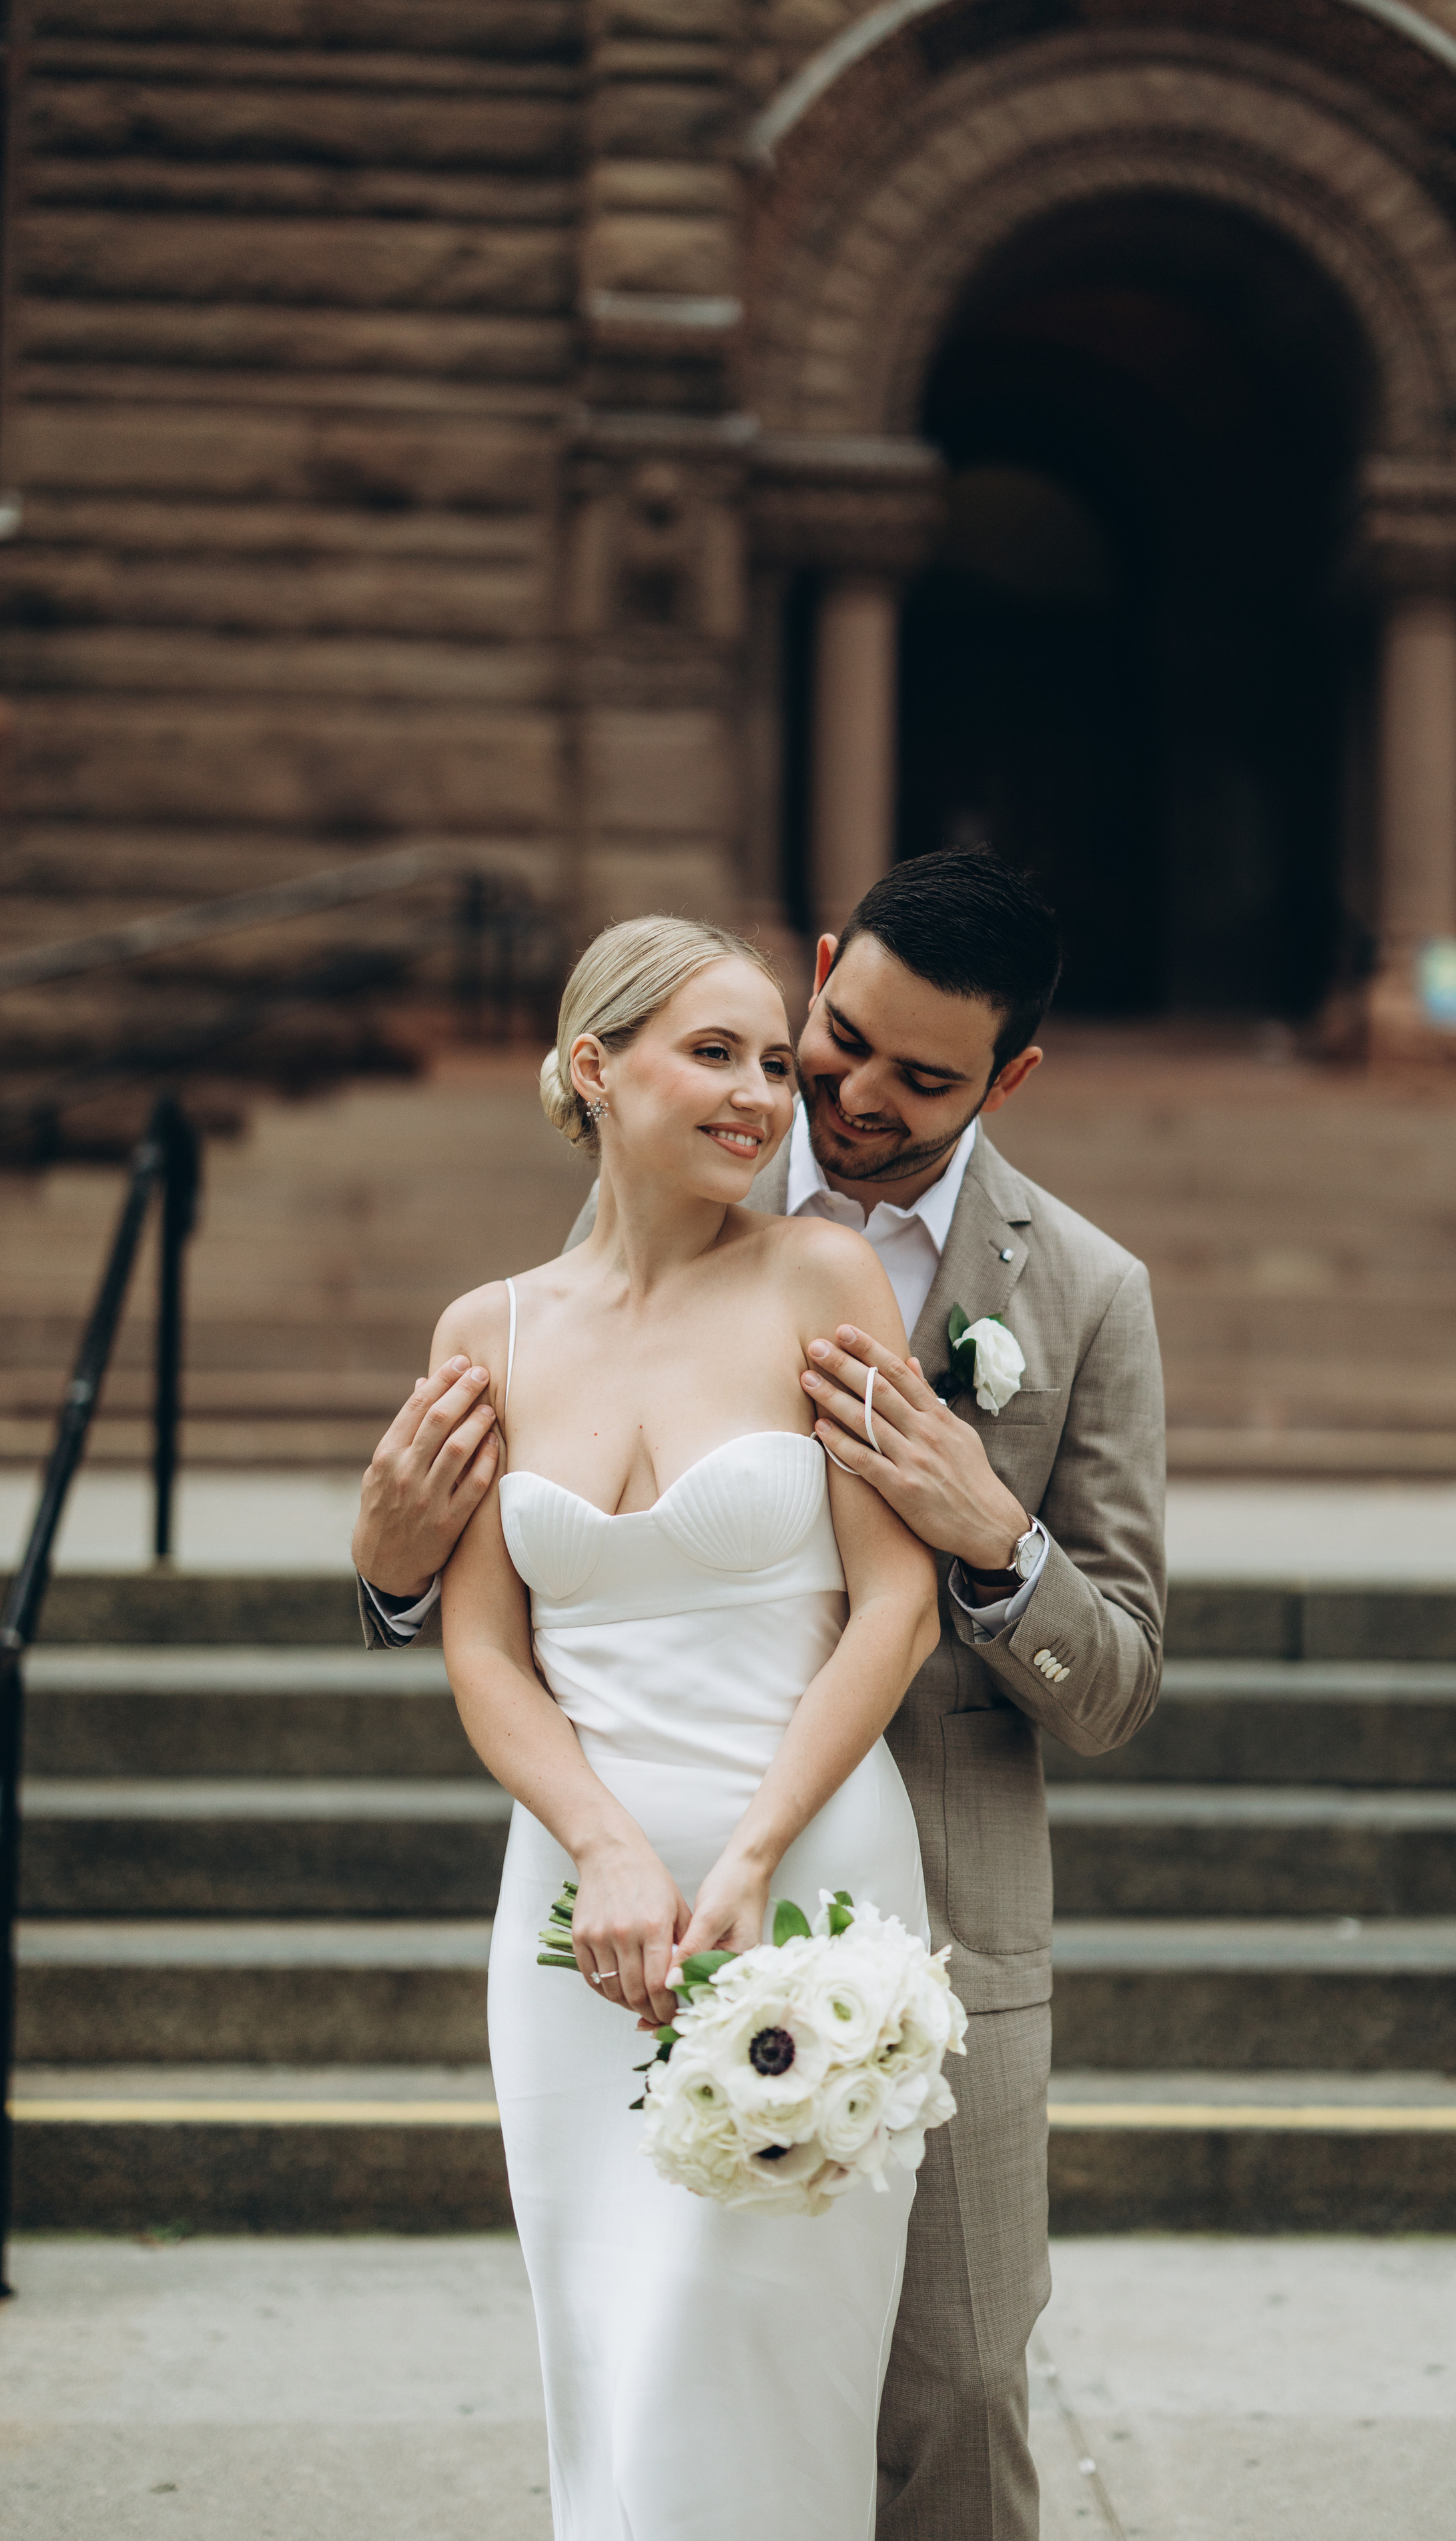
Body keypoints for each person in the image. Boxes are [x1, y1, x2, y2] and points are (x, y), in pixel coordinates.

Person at [355, 850, 1167, 2541]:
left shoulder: (1076, 1292)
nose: (833, 1095)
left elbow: (1119, 1677)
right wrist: (384, 1566)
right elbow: (476, 1614)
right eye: (832, 1042)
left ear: (1006, 1080)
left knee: (950, 2389)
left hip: (895, 1885)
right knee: (639, 2358)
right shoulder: (570, 1268)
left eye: (920, 1078)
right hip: (603, 1888)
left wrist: (991, 1538)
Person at [432, 913, 941, 2538]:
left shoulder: (823, 1274)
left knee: (747, 2352)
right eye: (712, 1053)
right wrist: (601, 1852)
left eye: (775, 1066)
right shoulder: (486, 1332)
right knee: (613, 2354)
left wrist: (750, 1854)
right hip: (578, 1914)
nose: (762, 1097)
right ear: (594, 1067)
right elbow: (483, 1649)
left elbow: (893, 1604)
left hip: (807, 1879)